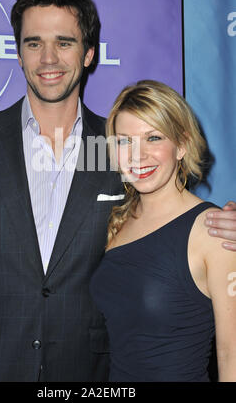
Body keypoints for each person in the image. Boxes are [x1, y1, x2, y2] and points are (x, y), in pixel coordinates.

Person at [0, 0, 235, 382]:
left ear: (89, 53)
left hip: (86, 375)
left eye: (64, 42)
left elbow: (172, 220)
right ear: (18, 54)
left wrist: (229, 223)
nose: (48, 59)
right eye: (33, 43)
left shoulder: (116, 148)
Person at [90, 80, 236, 382]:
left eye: (153, 138)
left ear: (182, 145)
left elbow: (230, 354)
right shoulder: (116, 220)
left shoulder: (214, 230)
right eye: (124, 141)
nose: (136, 155)